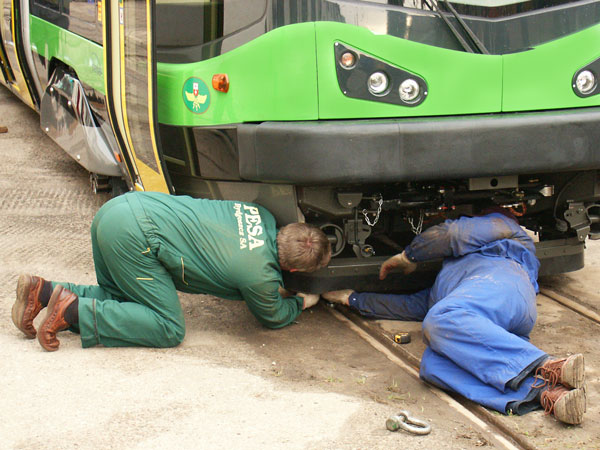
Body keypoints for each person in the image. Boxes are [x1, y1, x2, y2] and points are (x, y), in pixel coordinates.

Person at [323, 210, 586, 425]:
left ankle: (550, 364)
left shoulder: (504, 227)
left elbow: (453, 233)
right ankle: (545, 393)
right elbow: (414, 307)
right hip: (487, 317)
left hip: (502, 282)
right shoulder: (450, 279)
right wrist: (351, 298)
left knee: (443, 318)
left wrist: (408, 256)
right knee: (433, 366)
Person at [12, 192, 330, 351]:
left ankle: (41, 291)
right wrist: (303, 301)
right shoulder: (260, 276)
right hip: (134, 236)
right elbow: (272, 316)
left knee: (122, 300)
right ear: (290, 267)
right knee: (168, 328)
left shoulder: (257, 213)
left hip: (119, 208)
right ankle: (74, 311)